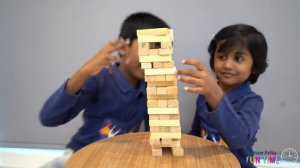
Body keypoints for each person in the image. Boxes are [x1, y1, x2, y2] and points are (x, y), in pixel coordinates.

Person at [39, 12, 170, 168]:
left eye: (162, 53)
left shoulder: (151, 88)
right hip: (79, 155)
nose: (155, 59)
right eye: (150, 49)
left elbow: (156, 138)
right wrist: (83, 73)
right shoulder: (100, 78)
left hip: (115, 161)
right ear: (124, 47)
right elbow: (49, 118)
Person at [177, 24, 268, 168]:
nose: (227, 65)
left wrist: (216, 95)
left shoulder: (252, 102)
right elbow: (195, 135)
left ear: (254, 66)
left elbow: (239, 138)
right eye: (221, 56)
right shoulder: (204, 96)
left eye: (238, 58)